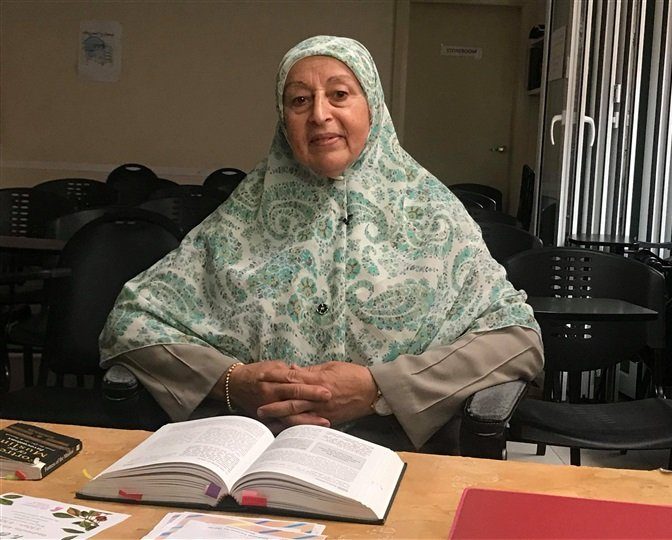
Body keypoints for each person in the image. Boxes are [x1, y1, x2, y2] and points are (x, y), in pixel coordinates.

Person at [99, 35, 543, 451]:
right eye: (299, 100)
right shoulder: (240, 219)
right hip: (255, 455)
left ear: (372, 107)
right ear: (283, 120)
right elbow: (131, 323)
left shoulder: (433, 216)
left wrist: (380, 388)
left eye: (339, 94)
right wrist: (233, 383)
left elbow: (517, 339)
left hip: (398, 454)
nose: (319, 114)